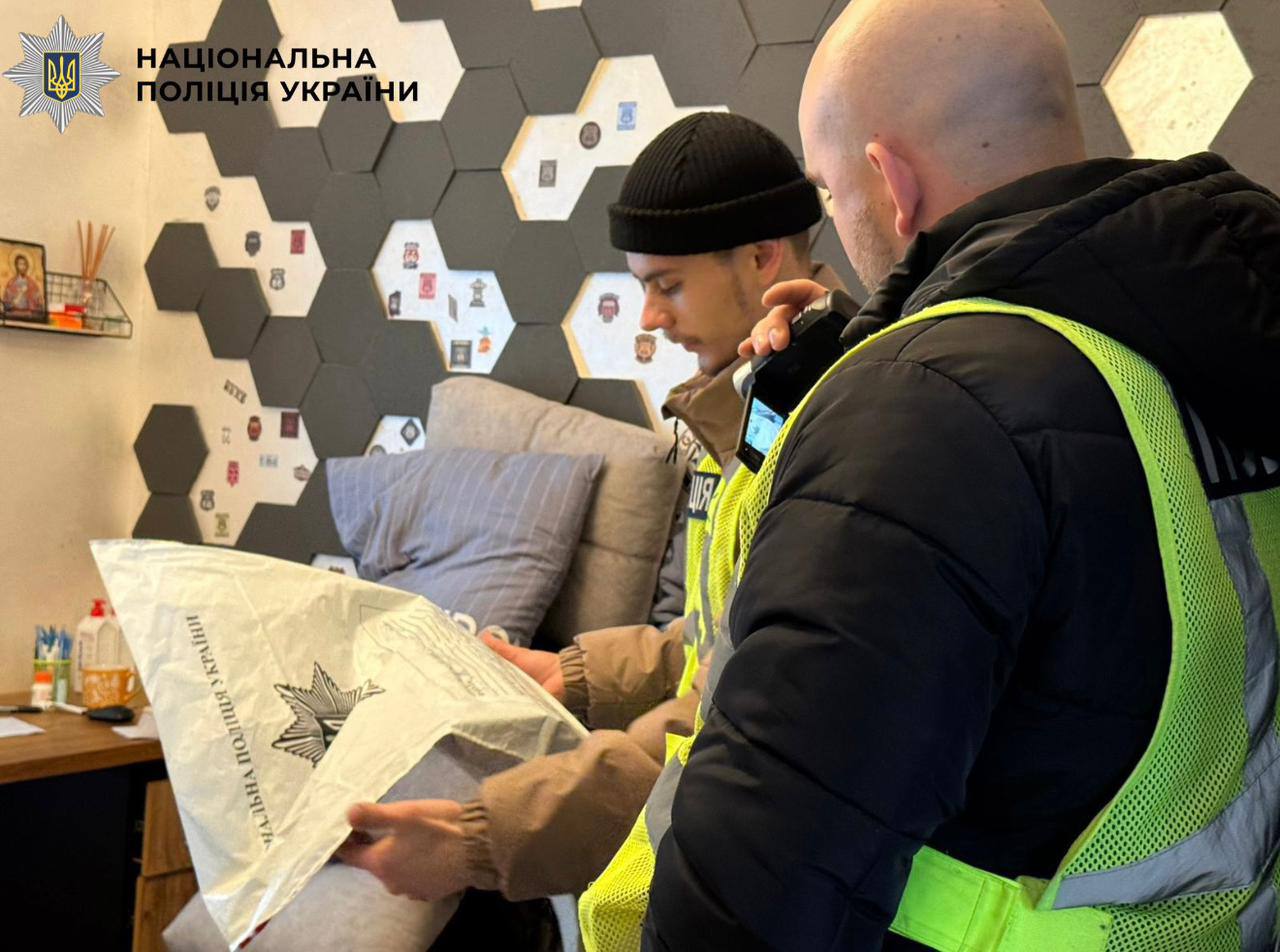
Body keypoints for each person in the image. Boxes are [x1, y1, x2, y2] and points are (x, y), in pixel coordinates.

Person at [579, 0, 1280, 950]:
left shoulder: (926, 412)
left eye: (832, 192)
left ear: (889, 180)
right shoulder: (1201, 335)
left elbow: (756, 889)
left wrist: (877, 402)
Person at [338, 112, 847, 906]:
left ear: (761, 256)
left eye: (668, 286)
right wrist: (570, 673)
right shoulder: (747, 408)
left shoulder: (831, 431)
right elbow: (719, 638)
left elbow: (726, 721)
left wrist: (480, 840)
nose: (650, 319)